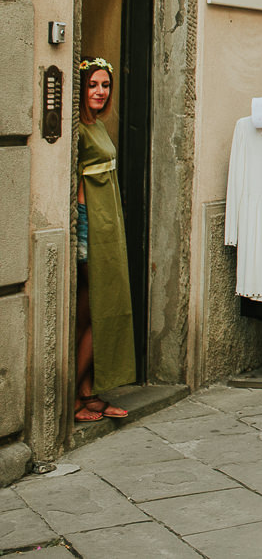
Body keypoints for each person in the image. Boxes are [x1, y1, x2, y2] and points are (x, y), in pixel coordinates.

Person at [74, 58, 135, 423]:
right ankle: (74, 395)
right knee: (99, 310)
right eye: (93, 85)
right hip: (89, 227)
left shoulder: (95, 124)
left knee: (93, 311)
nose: (100, 92)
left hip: (104, 225)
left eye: (105, 85)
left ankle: (88, 391)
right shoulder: (78, 128)